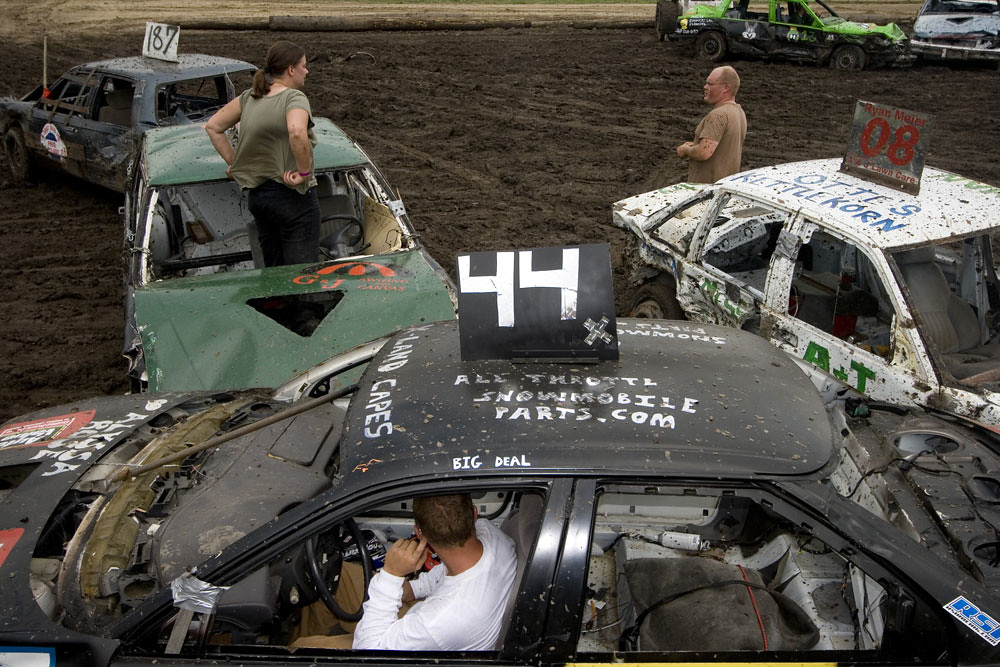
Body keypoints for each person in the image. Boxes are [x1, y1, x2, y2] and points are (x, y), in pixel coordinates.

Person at [291, 494, 517, 650]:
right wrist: (411, 588)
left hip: (402, 647)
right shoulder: (489, 535)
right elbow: (446, 572)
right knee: (335, 574)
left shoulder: (440, 620)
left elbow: (367, 653)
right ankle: (302, 631)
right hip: (427, 615)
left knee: (300, 650)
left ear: (418, 533)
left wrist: (391, 574)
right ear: (475, 514)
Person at [205, 40, 320, 267]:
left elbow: (213, 126)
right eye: (304, 66)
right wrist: (304, 173)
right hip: (292, 198)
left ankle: (277, 302)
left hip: (259, 199)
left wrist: (236, 164)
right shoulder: (293, 98)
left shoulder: (249, 97)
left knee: (273, 269)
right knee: (302, 274)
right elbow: (297, 132)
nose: (307, 71)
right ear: (291, 69)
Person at [676, 66, 747, 184]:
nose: (705, 87)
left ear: (725, 88)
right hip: (724, 188)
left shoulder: (717, 116)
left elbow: (704, 152)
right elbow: (721, 146)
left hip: (706, 190)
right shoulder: (738, 112)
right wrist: (695, 145)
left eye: (710, 84)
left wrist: (686, 150)